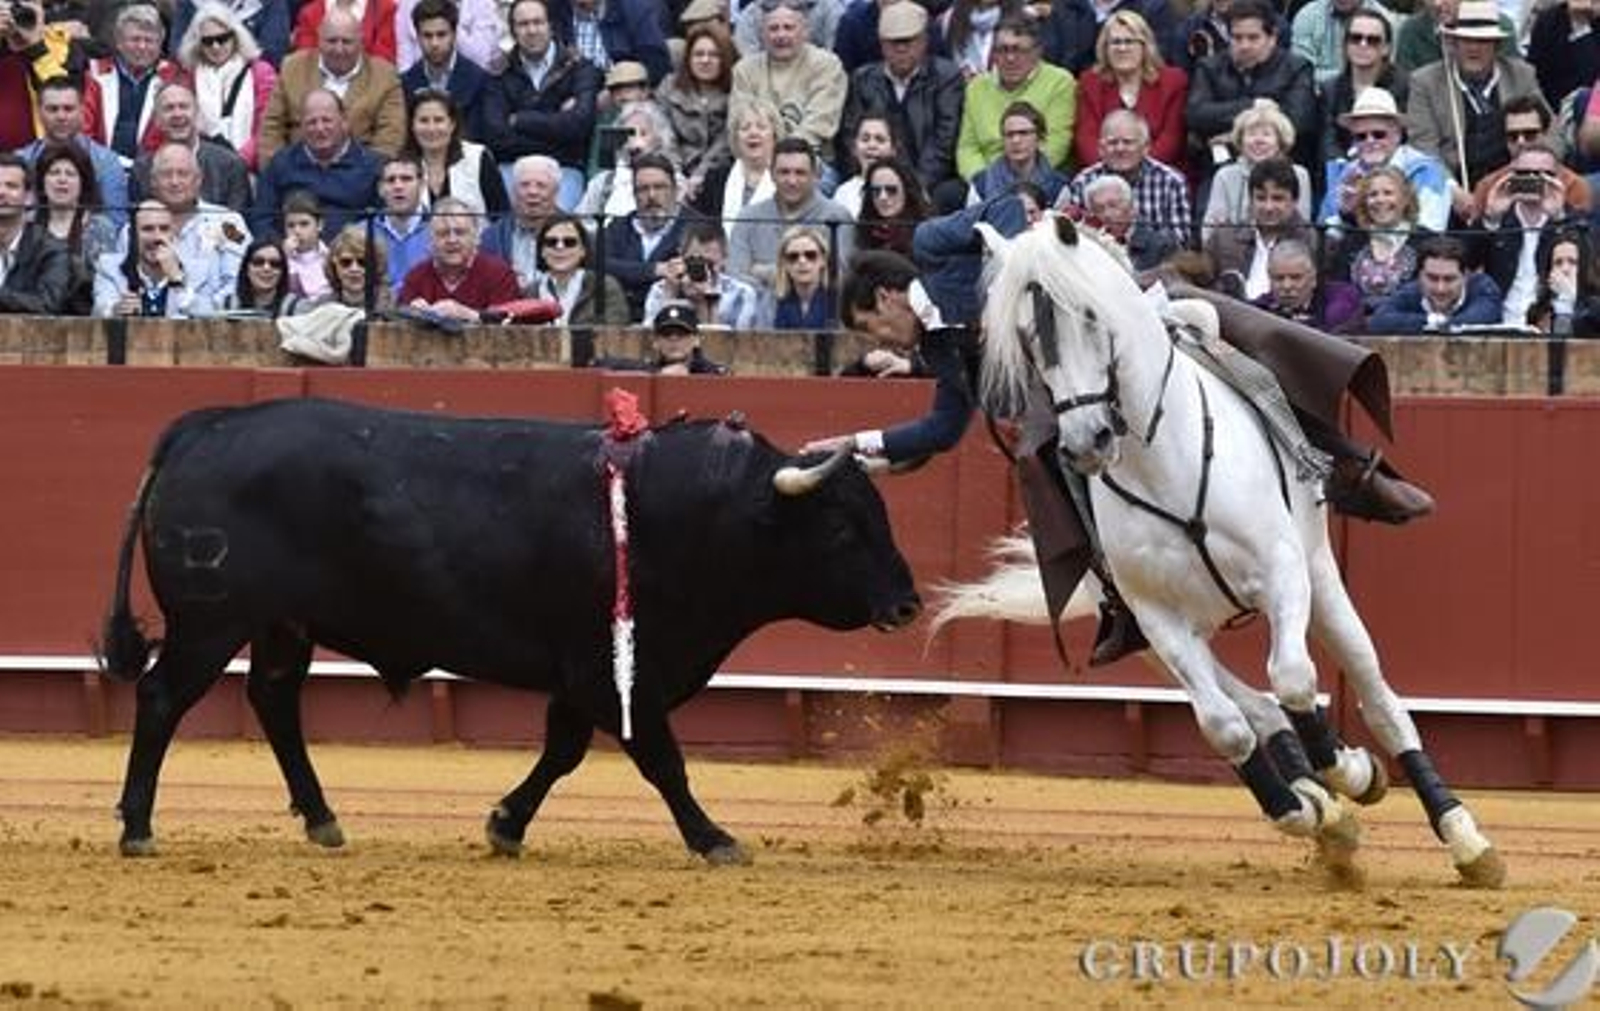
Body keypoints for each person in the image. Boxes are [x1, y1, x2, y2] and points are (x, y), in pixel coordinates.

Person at [799, 248, 978, 464]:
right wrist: (855, 445)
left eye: (867, 326)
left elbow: (943, 430)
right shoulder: (936, 345)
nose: (877, 341)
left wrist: (854, 443)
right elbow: (942, 430)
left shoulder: (960, 286)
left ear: (883, 298)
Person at [839, 1, 967, 211]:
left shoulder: (947, 77)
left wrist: (914, 185)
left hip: (931, 181)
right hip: (872, 178)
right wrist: (876, 177)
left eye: (908, 41)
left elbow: (945, 141)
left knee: (951, 193)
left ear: (924, 41)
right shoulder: (863, 79)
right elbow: (850, 135)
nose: (901, 49)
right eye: (893, 42)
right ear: (881, 44)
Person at [1404, 1, 1539, 192]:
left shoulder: (1522, 76)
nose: (1473, 48)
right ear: (1452, 43)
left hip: (1516, 183)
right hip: (1452, 189)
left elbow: (1552, 135)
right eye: (1466, 40)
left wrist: (1532, 167)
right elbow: (1424, 150)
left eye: (1483, 41)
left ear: (1497, 45)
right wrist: (1453, 193)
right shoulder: (1425, 82)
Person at [483, 0, 603, 211]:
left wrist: (520, 119)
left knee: (558, 220)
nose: (531, 30)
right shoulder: (498, 73)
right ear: (513, 31)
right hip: (512, 167)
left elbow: (581, 126)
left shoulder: (580, 68)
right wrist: (558, 127)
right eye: (523, 24)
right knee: (502, 217)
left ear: (551, 25)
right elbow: (495, 135)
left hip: (564, 168)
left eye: (538, 22)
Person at [259, 9, 408, 164]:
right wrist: (276, 172)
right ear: (319, 39)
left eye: (347, 41)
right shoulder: (292, 67)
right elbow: (271, 127)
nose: (339, 49)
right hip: (297, 171)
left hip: (361, 173)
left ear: (361, 41)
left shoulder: (384, 75)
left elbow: (390, 138)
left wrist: (367, 176)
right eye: (332, 41)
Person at [1185, 0, 1317, 171]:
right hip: (1222, 165)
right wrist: (1253, 105)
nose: (1244, 46)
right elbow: (1196, 115)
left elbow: (1299, 121)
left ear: (1272, 38)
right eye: (1237, 37)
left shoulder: (1297, 68)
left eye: (1253, 38)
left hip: (1281, 167)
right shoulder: (1210, 67)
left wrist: (1236, 137)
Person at [728, 136, 855, 297]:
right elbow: (735, 281)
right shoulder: (747, 218)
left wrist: (763, 272)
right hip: (759, 319)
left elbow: (841, 281)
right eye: (784, 172)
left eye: (800, 173)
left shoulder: (838, 217)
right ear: (771, 174)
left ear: (815, 175)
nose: (792, 181)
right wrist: (807, 276)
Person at [956, 17, 1076, 181]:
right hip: (986, 178)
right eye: (1003, 50)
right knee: (947, 194)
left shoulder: (1060, 82)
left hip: (1038, 175)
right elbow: (967, 148)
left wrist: (1020, 180)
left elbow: (1056, 144)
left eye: (1019, 50)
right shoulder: (977, 87)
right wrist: (984, 181)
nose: (1010, 58)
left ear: (1037, 52)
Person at [252, 89, 385, 238]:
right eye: (311, 122)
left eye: (327, 120)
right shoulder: (281, 164)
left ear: (344, 122)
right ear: (301, 126)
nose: (319, 128)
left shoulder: (373, 165)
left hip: (353, 256)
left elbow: (383, 221)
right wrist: (279, 250)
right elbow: (261, 219)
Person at [1477, 142, 1582, 327]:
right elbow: (1464, 260)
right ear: (1511, 176)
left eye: (1543, 175)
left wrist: (1558, 219)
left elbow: (1583, 264)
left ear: (1556, 178)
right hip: (1498, 324)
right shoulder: (1499, 218)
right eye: (1524, 174)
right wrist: (1491, 219)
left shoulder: (1573, 221)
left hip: (1550, 324)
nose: (1532, 180)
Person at [1319, 87, 1450, 234]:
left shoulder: (1427, 171)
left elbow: (1429, 230)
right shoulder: (1344, 174)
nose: (1370, 141)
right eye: (1361, 136)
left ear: (1397, 135)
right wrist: (1346, 213)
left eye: (1378, 134)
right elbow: (1327, 232)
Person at [728, 0, 848, 157]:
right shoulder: (744, 70)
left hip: (811, 157)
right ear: (763, 35)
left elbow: (820, 124)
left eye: (789, 28)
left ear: (805, 32)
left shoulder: (827, 65)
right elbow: (739, 122)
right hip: (756, 158)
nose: (781, 35)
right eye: (773, 29)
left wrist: (782, 156)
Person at [1072, 11, 1188, 174]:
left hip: (1158, 175)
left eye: (1129, 41)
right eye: (1115, 42)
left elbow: (1171, 140)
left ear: (1145, 46)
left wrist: (1135, 171)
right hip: (1103, 176)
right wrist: (1112, 173)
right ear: (1105, 48)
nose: (1122, 48)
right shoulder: (1090, 82)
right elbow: (1086, 139)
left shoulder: (1173, 81)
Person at [1062, 109, 1191, 250]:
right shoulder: (1083, 181)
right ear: (1100, 148)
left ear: (1146, 147)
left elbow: (1181, 240)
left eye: (1128, 142)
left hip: (1156, 264)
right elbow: (1070, 238)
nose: (1120, 148)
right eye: (1112, 143)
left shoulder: (1171, 181)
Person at [145, 142, 252, 310]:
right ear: (153, 182)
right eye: (166, 174)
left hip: (213, 329)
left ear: (198, 180)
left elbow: (237, 287)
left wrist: (195, 306)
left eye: (183, 174)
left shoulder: (228, 222)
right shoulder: (135, 228)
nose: (175, 182)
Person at [174, 2, 279, 171]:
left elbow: (265, 128)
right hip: (197, 168)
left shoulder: (261, 73)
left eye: (222, 39)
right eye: (208, 41)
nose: (216, 46)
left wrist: (239, 161)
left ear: (236, 36)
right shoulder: (187, 78)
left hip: (247, 167)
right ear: (197, 43)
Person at [18, 77, 129, 231]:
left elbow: (118, 221)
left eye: (68, 109)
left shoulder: (106, 161)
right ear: (39, 111)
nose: (61, 117)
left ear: (82, 110)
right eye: (52, 109)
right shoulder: (21, 161)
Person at [131, 82, 253, 213]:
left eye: (183, 107)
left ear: (197, 113)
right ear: (156, 120)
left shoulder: (230, 165)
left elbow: (238, 223)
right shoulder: (142, 168)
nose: (177, 114)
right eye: (168, 108)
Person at [82, 4, 182, 164]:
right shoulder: (94, 74)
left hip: (155, 169)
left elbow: (177, 132)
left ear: (160, 45)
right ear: (119, 42)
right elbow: (84, 131)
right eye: (135, 39)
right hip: (101, 168)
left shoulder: (175, 78)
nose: (142, 46)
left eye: (149, 41)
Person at [1201, 98, 1311, 243]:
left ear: (1280, 141)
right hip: (1234, 253)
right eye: (1251, 134)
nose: (1259, 140)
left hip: (1285, 253)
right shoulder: (1224, 176)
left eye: (1266, 134)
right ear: (1241, 140)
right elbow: (1210, 231)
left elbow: (1302, 227)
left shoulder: (1299, 174)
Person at [1204, 156, 1313, 300]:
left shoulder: (1315, 242)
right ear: (1251, 200)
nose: (1268, 207)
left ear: (1294, 201)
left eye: (1277, 198)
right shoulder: (1223, 238)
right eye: (1261, 198)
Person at [1324, 165, 1428, 312]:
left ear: (1405, 199)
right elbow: (1338, 290)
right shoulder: (1350, 241)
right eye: (1373, 195)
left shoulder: (1426, 240)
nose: (1380, 200)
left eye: (1388, 193)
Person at [94, 200, 222, 318]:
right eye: (148, 229)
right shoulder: (109, 266)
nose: (157, 237)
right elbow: (100, 309)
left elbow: (213, 316)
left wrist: (177, 280)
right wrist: (116, 309)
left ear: (173, 235)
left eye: (164, 229)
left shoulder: (199, 270)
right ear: (132, 235)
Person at [398, 196, 520, 320]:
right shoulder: (416, 277)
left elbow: (509, 324)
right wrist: (411, 317)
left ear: (476, 238)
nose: (452, 240)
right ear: (430, 241)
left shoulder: (500, 274)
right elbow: (396, 327)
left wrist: (469, 315)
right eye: (443, 233)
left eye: (460, 232)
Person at [32, 141, 119, 315]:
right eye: (54, 173)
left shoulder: (99, 228)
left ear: (83, 183)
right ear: (42, 181)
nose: (62, 180)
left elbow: (107, 288)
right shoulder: (28, 226)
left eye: (70, 174)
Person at [657, 21, 735, 208]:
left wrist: (701, 174)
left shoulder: (736, 88)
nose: (705, 60)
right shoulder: (669, 86)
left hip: (719, 171)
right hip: (677, 168)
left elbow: (727, 138)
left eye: (714, 55)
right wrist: (675, 174)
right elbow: (664, 133)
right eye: (698, 54)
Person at [1476, 96, 1591, 222]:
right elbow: (1475, 239)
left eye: (1530, 134)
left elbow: (1582, 236)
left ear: (1545, 134)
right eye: (1513, 136)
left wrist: (1559, 217)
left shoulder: (1573, 185)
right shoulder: (1488, 186)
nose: (1521, 142)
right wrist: (1492, 218)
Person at [1315, 9, 1407, 166]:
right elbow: (1327, 145)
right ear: (1345, 45)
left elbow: (1408, 140)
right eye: (1355, 38)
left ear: (1386, 48)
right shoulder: (1329, 90)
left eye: (1373, 40)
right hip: (1343, 173)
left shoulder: (1406, 87)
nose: (1363, 44)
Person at [403, 87, 509, 216]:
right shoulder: (401, 164)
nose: (431, 129)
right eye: (423, 121)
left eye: (439, 120)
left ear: (452, 124)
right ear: (412, 126)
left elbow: (501, 215)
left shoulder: (478, 157)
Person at [399, 0, 493, 142]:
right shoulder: (405, 82)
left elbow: (477, 136)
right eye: (427, 36)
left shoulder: (479, 80)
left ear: (454, 35)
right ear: (417, 37)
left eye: (441, 35)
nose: (434, 43)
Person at [642, 219, 761, 330]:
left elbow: (735, 344)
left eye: (709, 264)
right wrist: (669, 296)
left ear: (724, 259)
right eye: (694, 262)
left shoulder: (741, 294)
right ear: (681, 256)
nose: (703, 269)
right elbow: (648, 338)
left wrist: (705, 303)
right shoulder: (661, 289)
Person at [1368, 235, 1503, 333]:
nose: (1440, 288)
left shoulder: (1483, 287)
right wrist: (1433, 320)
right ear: (1420, 275)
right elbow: (1379, 321)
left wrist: (1428, 324)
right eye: (1432, 278)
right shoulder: (1411, 291)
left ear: (1465, 276)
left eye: (1449, 279)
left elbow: (1483, 317)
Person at [528, 212, 630, 325]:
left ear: (583, 250)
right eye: (551, 242)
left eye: (569, 242)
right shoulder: (531, 293)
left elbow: (614, 333)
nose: (560, 247)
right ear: (542, 251)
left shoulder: (605, 287)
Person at [0, 153, 71, 315]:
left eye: (11, 186)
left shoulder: (52, 251)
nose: (1, 192)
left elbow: (47, 304)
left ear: (29, 198)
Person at [693, 97, 779, 232]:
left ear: (775, 135)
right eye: (745, 128)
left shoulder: (788, 178)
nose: (753, 133)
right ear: (735, 137)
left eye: (761, 127)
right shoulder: (715, 179)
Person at [544, 0, 671, 87]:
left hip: (622, 92)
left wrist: (618, 87)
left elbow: (657, 66)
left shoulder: (634, 8)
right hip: (570, 96)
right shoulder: (553, 11)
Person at [969, 101, 1069, 207]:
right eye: (1009, 134)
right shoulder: (980, 184)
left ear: (1039, 138)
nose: (1015, 140)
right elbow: (969, 222)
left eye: (1024, 133)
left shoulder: (1058, 187)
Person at [482, 154, 561, 290]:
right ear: (513, 191)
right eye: (524, 185)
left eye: (541, 186)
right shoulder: (491, 237)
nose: (532, 192)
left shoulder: (576, 235)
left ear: (555, 192)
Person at [1041, 0, 1180, 75]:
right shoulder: (1065, 7)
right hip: (1072, 93)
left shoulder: (1154, 8)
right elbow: (1050, 59)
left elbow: (1157, 60)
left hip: (1131, 92)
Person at [1254, 239, 1363, 333]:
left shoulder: (1340, 298)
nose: (1286, 286)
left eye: (1296, 278)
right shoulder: (1260, 308)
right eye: (1279, 278)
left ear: (1313, 279)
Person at [1079, 172, 1176, 271]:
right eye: (1099, 209)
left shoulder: (1161, 245)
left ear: (1132, 207)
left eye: (1113, 205)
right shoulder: (1089, 247)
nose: (1107, 214)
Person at [286, 225, 394, 312]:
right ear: (334, 265)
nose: (354, 269)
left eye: (363, 262)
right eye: (345, 262)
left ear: (376, 266)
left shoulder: (389, 305)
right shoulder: (322, 306)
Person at [595, 301, 728, 372]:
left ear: (697, 340)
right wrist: (658, 374)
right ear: (656, 342)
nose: (673, 339)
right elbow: (600, 365)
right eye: (666, 334)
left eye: (682, 334)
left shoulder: (713, 374)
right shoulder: (646, 369)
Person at [1289, 0, 1393, 81]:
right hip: (1314, 96)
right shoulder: (1308, 15)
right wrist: (1351, 77)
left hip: (1369, 96)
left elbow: (1385, 72)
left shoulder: (1384, 19)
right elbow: (1301, 74)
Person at [170, 0, 291, 70]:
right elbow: (178, 51)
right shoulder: (189, 3)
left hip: (253, 80)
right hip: (200, 76)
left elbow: (273, 54)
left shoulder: (271, 3)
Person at [1526, 0, 1600, 111]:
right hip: (1553, 113)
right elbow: (1534, 76)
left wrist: (1581, 25)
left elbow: (1590, 80)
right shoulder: (1548, 20)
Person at [375, 152, 433, 291]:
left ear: (422, 185)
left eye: (406, 179)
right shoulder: (361, 233)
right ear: (380, 189)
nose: (398, 186)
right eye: (390, 180)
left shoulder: (442, 231)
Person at [1525, 228, 1600, 335]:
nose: (1565, 269)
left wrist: (1570, 299)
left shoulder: (1595, 309)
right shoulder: (1540, 310)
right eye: (1558, 263)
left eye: (1573, 262)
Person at [395, 0, 502, 74]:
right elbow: (405, 61)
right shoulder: (408, 4)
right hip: (422, 80)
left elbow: (480, 59)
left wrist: (447, 16)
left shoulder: (482, 3)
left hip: (469, 83)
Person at [762, 225, 834, 329]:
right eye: (793, 257)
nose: (802, 261)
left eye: (810, 255)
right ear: (784, 263)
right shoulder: (770, 303)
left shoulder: (838, 301)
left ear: (823, 259)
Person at [858, 158, 932, 256]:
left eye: (891, 190)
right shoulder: (863, 229)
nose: (882, 197)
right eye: (876, 191)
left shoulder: (927, 231)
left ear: (907, 191)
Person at [832, 113, 899, 218]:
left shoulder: (905, 189)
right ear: (854, 148)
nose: (871, 145)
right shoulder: (843, 193)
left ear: (893, 149)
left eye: (880, 139)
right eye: (865, 139)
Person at [290, 0, 398, 64]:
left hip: (370, 91)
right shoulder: (309, 13)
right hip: (320, 90)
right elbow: (307, 61)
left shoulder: (385, 8)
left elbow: (384, 60)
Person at [281, 190, 331, 298]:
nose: (297, 231)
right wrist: (283, 258)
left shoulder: (332, 257)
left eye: (304, 224)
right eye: (291, 225)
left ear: (320, 225)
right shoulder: (279, 259)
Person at [225, 236, 291, 314]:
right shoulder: (228, 306)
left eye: (275, 263)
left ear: (282, 271)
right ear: (246, 268)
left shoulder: (297, 309)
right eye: (258, 262)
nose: (267, 268)